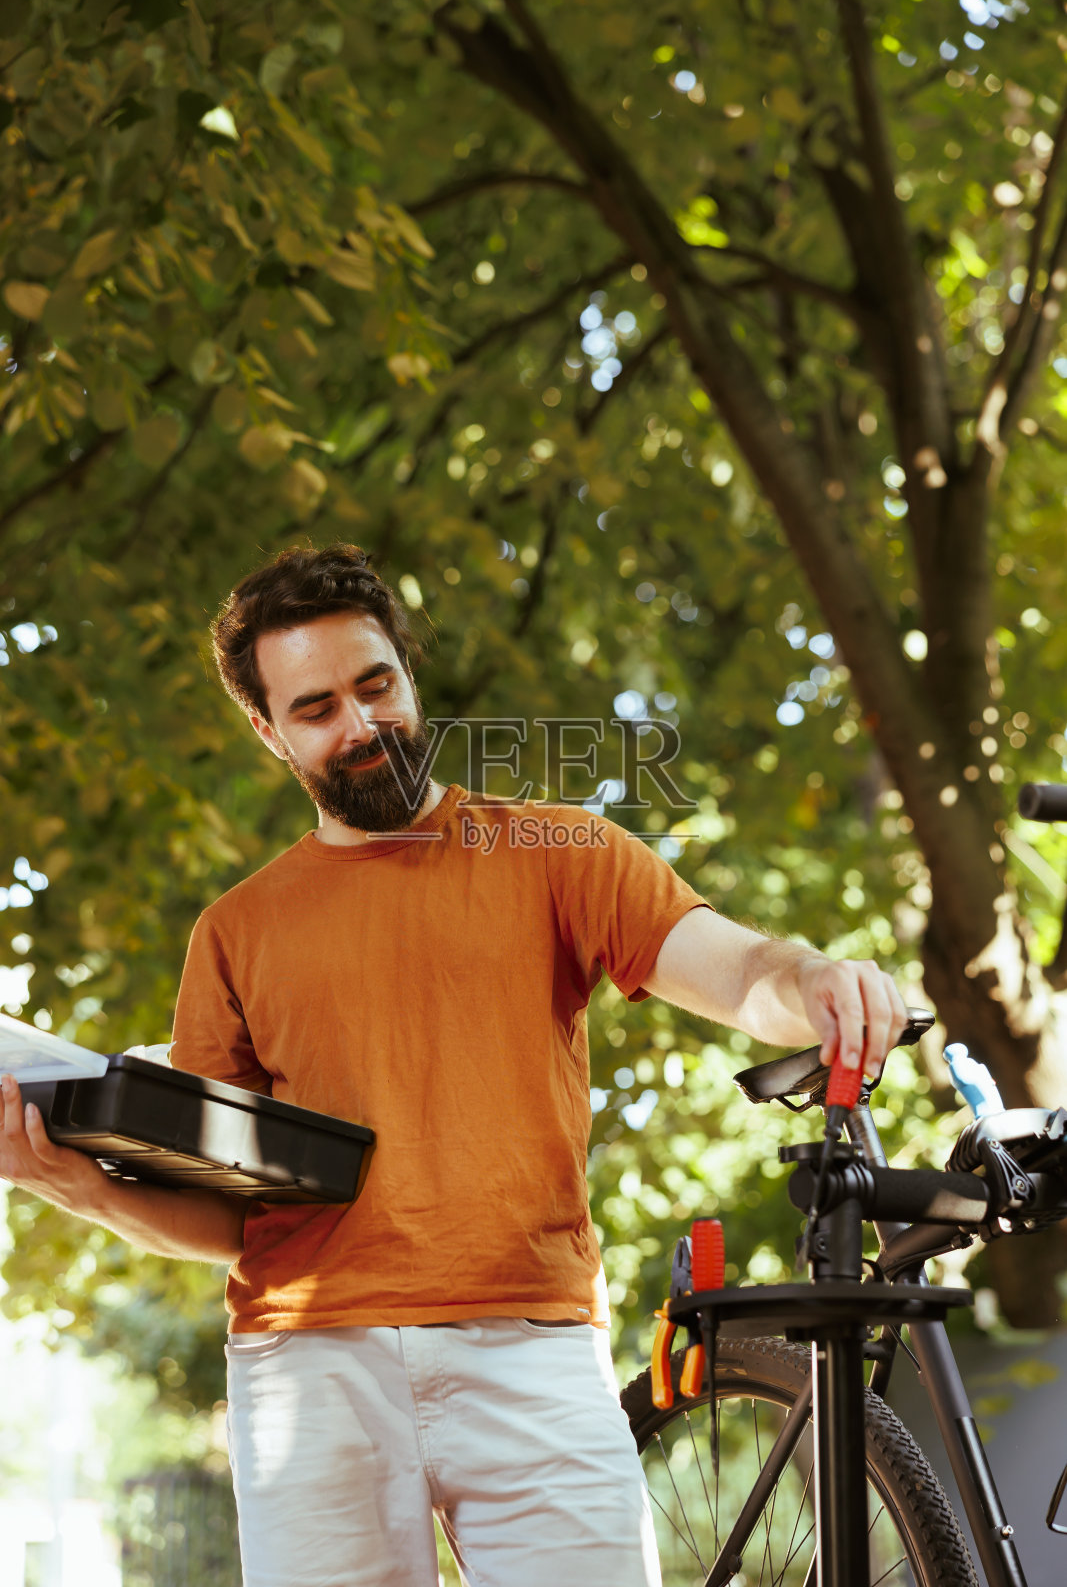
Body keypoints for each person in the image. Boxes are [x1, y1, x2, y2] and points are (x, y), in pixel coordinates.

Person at [0, 544, 908, 1587]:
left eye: (375, 684)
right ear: (266, 729)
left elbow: (737, 970)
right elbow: (227, 1215)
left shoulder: (558, 854)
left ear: (407, 671)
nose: (360, 725)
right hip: (308, 1369)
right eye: (315, 708)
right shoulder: (235, 932)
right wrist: (70, 1181)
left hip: (531, 1345)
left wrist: (812, 978)